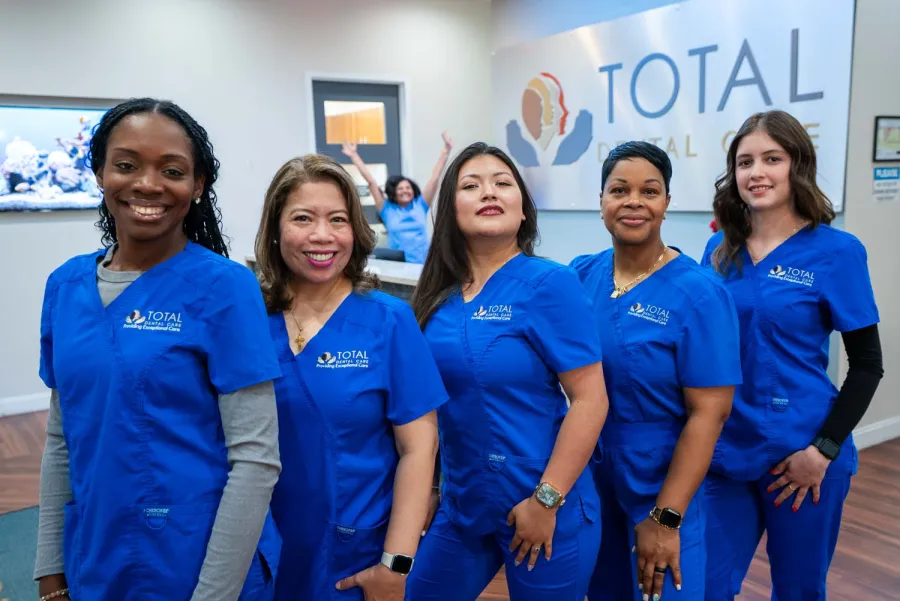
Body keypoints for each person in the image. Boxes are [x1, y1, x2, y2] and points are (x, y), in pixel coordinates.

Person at [34, 98, 283, 601]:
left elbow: (256, 459)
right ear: (100, 173)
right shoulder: (65, 286)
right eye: (126, 165)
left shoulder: (225, 287)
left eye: (171, 170)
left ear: (197, 186)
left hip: (199, 562)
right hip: (95, 555)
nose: (147, 184)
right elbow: (63, 435)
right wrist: (50, 567)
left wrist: (213, 595)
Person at [406, 142, 609, 600]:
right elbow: (431, 406)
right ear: (450, 209)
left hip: (543, 506)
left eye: (502, 183)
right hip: (465, 505)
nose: (488, 193)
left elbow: (591, 399)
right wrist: (433, 487)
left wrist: (547, 499)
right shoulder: (437, 298)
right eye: (471, 185)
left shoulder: (550, 283)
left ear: (522, 209)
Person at [701, 110, 884, 601]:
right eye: (744, 162)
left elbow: (868, 365)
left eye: (771, 158)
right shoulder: (718, 251)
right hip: (725, 452)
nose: (756, 172)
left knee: (799, 590)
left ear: (796, 165)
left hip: (802, 454)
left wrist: (822, 450)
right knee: (700, 587)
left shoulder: (837, 251)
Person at [253, 154, 448, 601]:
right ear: (276, 228)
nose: (322, 235)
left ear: (355, 230)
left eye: (337, 219)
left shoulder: (389, 321)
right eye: (303, 218)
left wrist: (397, 565)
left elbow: (419, 448)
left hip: (355, 555)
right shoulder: (248, 321)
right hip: (260, 549)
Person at [569, 141, 741, 601]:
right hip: (591, 474)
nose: (633, 202)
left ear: (667, 203)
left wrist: (667, 518)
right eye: (619, 189)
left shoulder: (701, 293)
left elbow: (710, 415)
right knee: (603, 591)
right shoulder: (580, 275)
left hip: (663, 478)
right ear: (601, 201)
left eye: (650, 191)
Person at [341, 131, 452, 264]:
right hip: (399, 266)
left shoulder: (420, 205)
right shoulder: (387, 209)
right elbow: (371, 182)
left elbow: (435, 178)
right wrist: (354, 156)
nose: (405, 191)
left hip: (424, 266)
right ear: (394, 192)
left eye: (408, 187)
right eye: (401, 188)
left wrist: (446, 151)